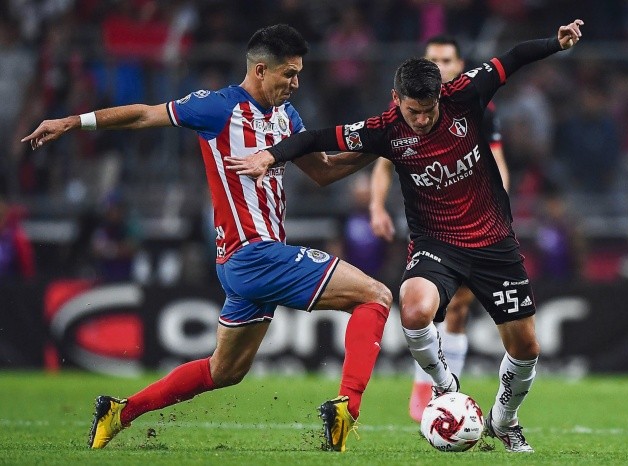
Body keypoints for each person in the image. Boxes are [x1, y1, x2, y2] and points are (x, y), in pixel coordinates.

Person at [22, 24, 391, 453]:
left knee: (224, 371)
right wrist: (73, 121)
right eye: (288, 74)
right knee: (376, 296)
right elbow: (145, 114)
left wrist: (383, 143)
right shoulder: (217, 107)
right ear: (260, 70)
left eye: (299, 74)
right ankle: (348, 409)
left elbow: (324, 171)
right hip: (255, 254)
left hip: (243, 264)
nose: (295, 83)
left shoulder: (288, 117)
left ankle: (119, 413)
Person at [226, 19, 585, 453]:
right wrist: (270, 155)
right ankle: (445, 385)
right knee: (413, 310)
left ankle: (504, 420)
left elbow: (514, 57)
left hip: (494, 243)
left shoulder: (467, 93)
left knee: (526, 347)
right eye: (413, 111)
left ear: (440, 96)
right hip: (436, 244)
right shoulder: (386, 128)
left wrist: (556, 43)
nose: (421, 119)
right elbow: (316, 138)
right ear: (397, 99)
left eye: (428, 110)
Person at [369, 34, 511, 422]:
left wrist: (495, 209)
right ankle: (428, 384)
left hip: (472, 221)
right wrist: (376, 206)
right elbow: (383, 164)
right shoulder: (405, 110)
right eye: (433, 60)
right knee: (425, 306)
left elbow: (498, 162)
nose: (440, 66)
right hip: (426, 224)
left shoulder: (478, 106)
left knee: (459, 307)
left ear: (460, 65)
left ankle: (444, 393)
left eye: (447, 60)